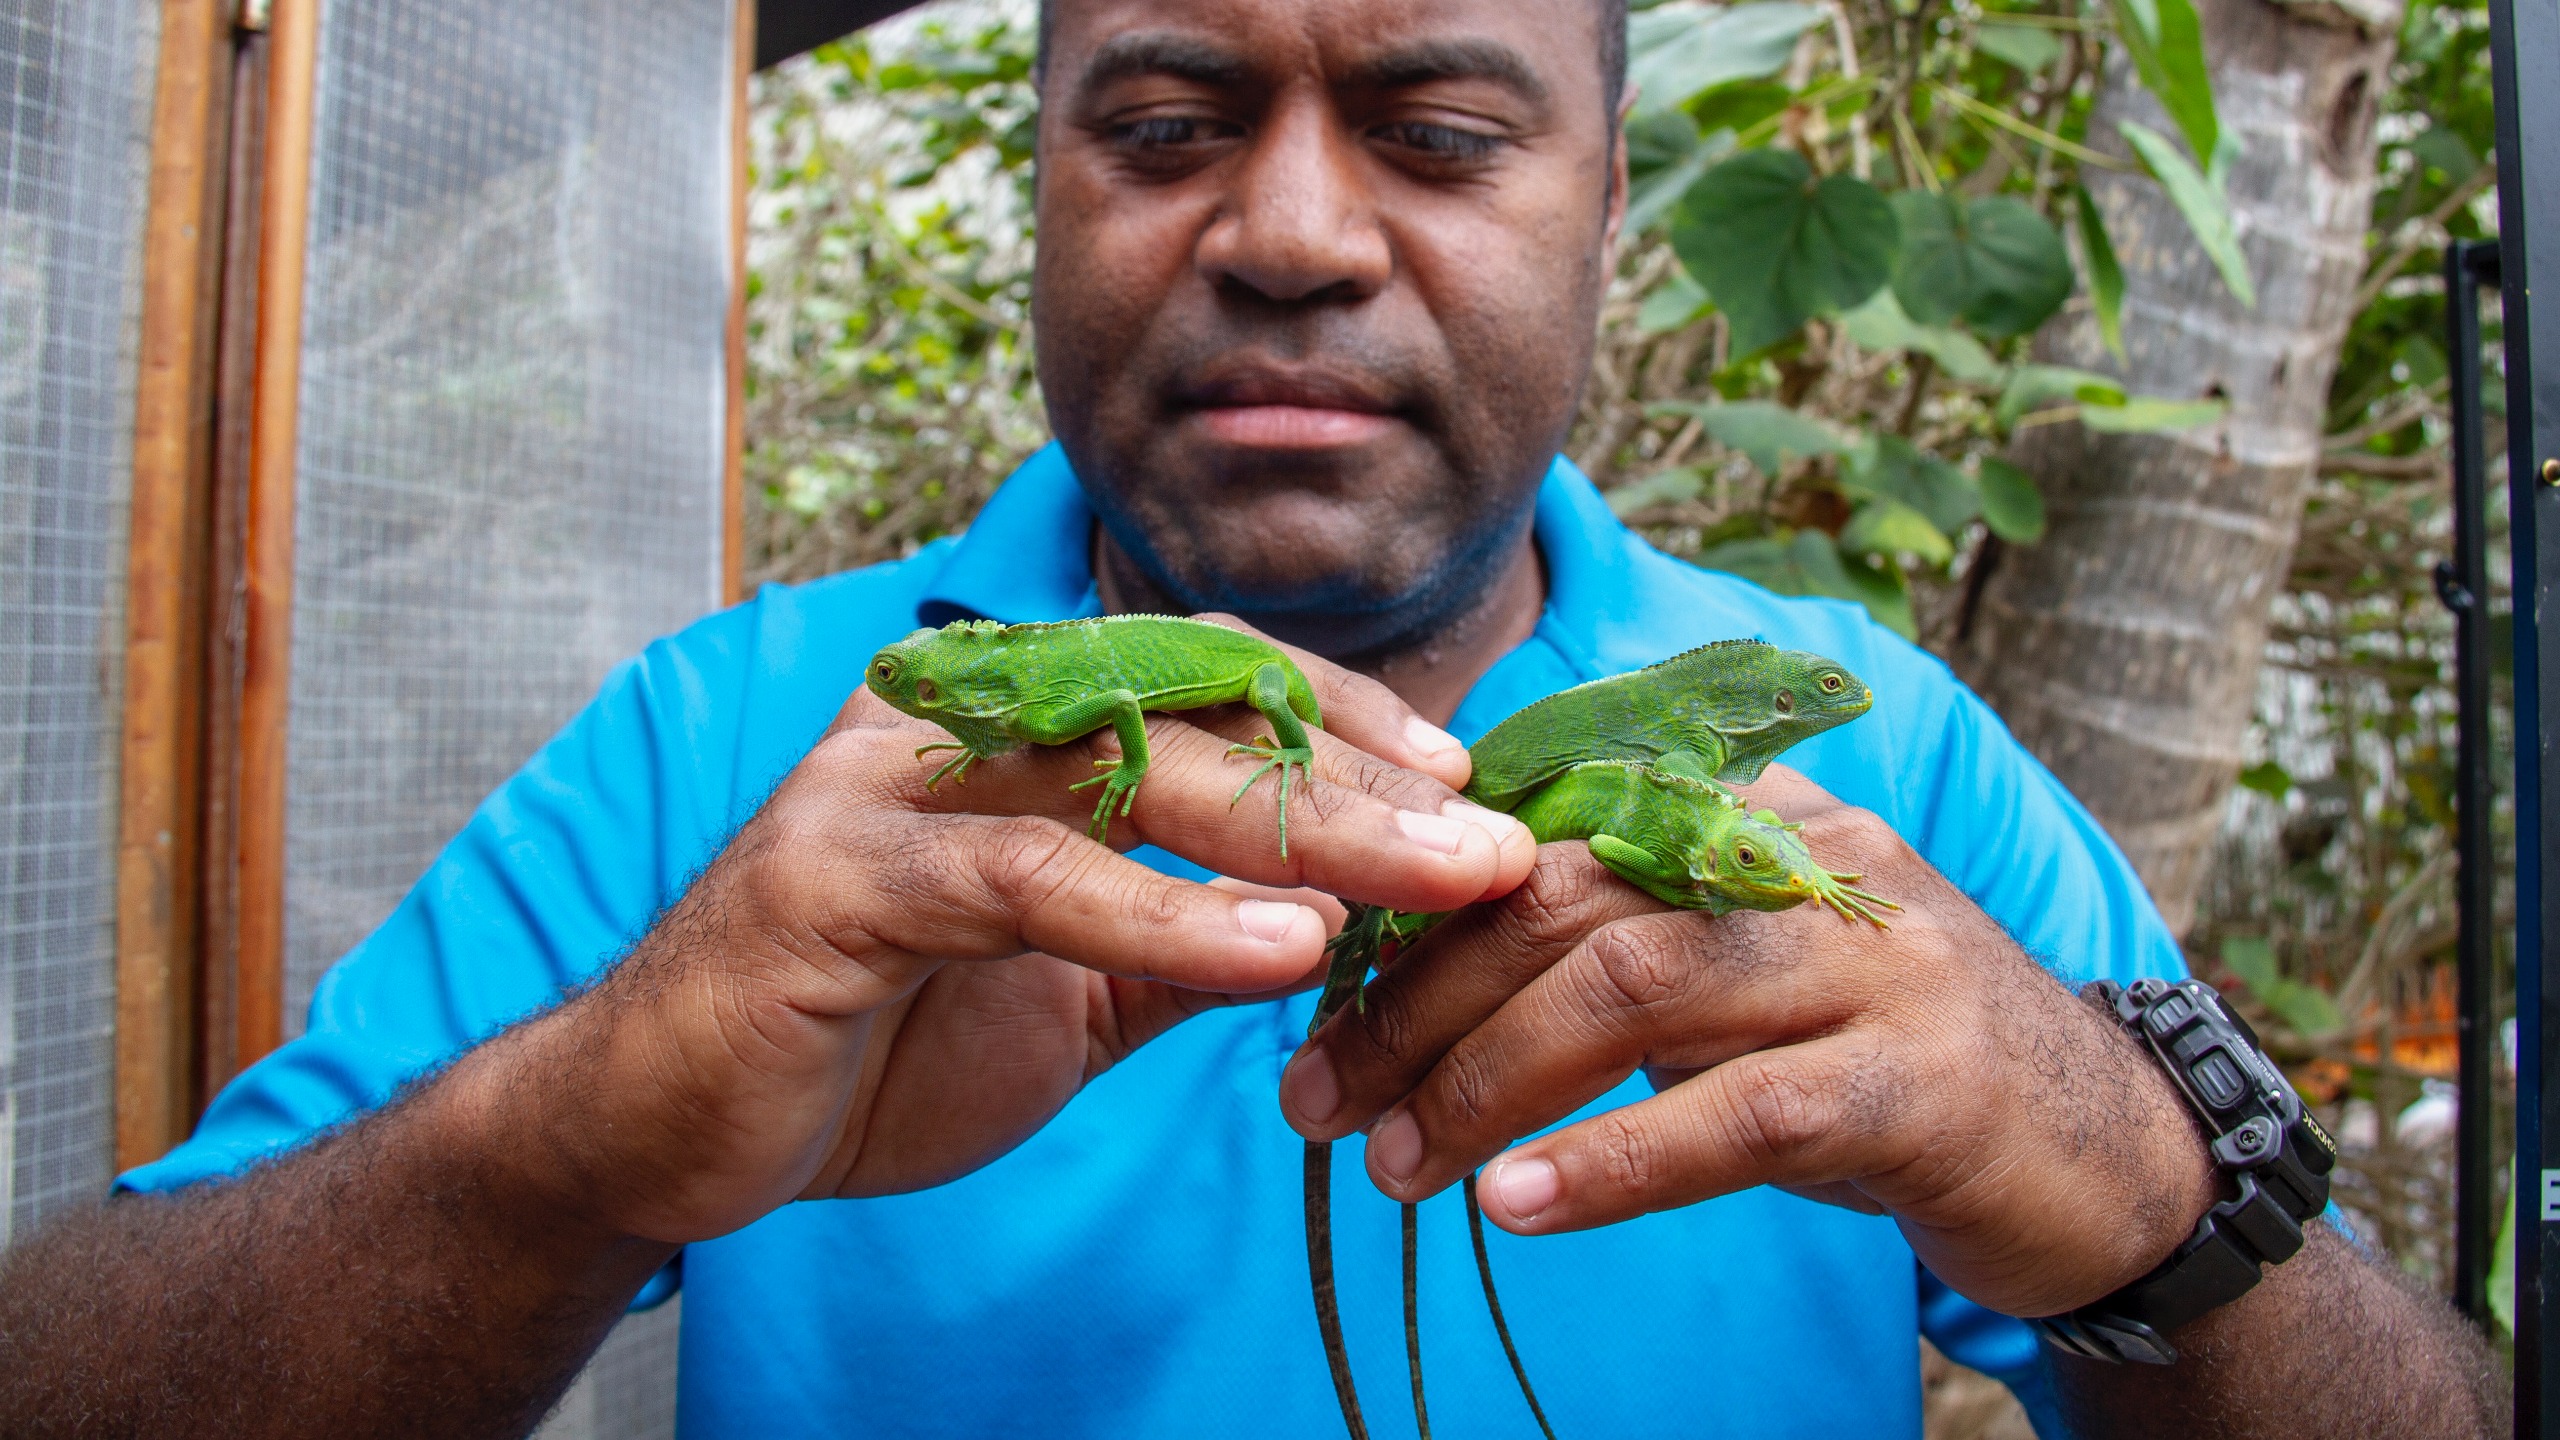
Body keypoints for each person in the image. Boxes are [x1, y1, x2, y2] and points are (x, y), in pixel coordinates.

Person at [0, 0, 2503, 1434]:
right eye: (1170, 123)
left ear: (1605, 202)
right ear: (1043, 187)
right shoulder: (728, 744)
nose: (1291, 236)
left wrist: (2164, 1201)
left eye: (1432, 132)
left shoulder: (1895, 765)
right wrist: (572, 1142)